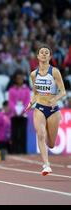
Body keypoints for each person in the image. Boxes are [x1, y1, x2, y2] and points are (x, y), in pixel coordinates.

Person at [23, 46, 66, 176]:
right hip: (40, 108)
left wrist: (55, 99)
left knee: (51, 144)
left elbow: (63, 92)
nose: (44, 54)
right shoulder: (33, 74)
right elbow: (35, 94)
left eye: (46, 53)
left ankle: (48, 136)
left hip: (53, 110)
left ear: (50, 57)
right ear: (37, 56)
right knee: (40, 135)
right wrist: (30, 104)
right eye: (41, 52)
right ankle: (46, 165)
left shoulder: (55, 72)